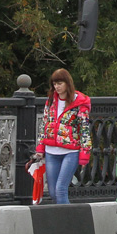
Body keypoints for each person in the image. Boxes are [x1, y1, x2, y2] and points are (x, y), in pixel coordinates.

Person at [34, 68, 92, 204]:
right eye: (54, 84)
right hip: (51, 151)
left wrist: (85, 154)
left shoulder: (79, 103)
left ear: (67, 83)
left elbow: (84, 130)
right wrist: (40, 148)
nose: (57, 87)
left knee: (61, 189)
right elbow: (45, 125)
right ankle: (64, 217)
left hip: (70, 151)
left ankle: (66, 223)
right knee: (53, 192)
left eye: (60, 83)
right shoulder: (50, 101)